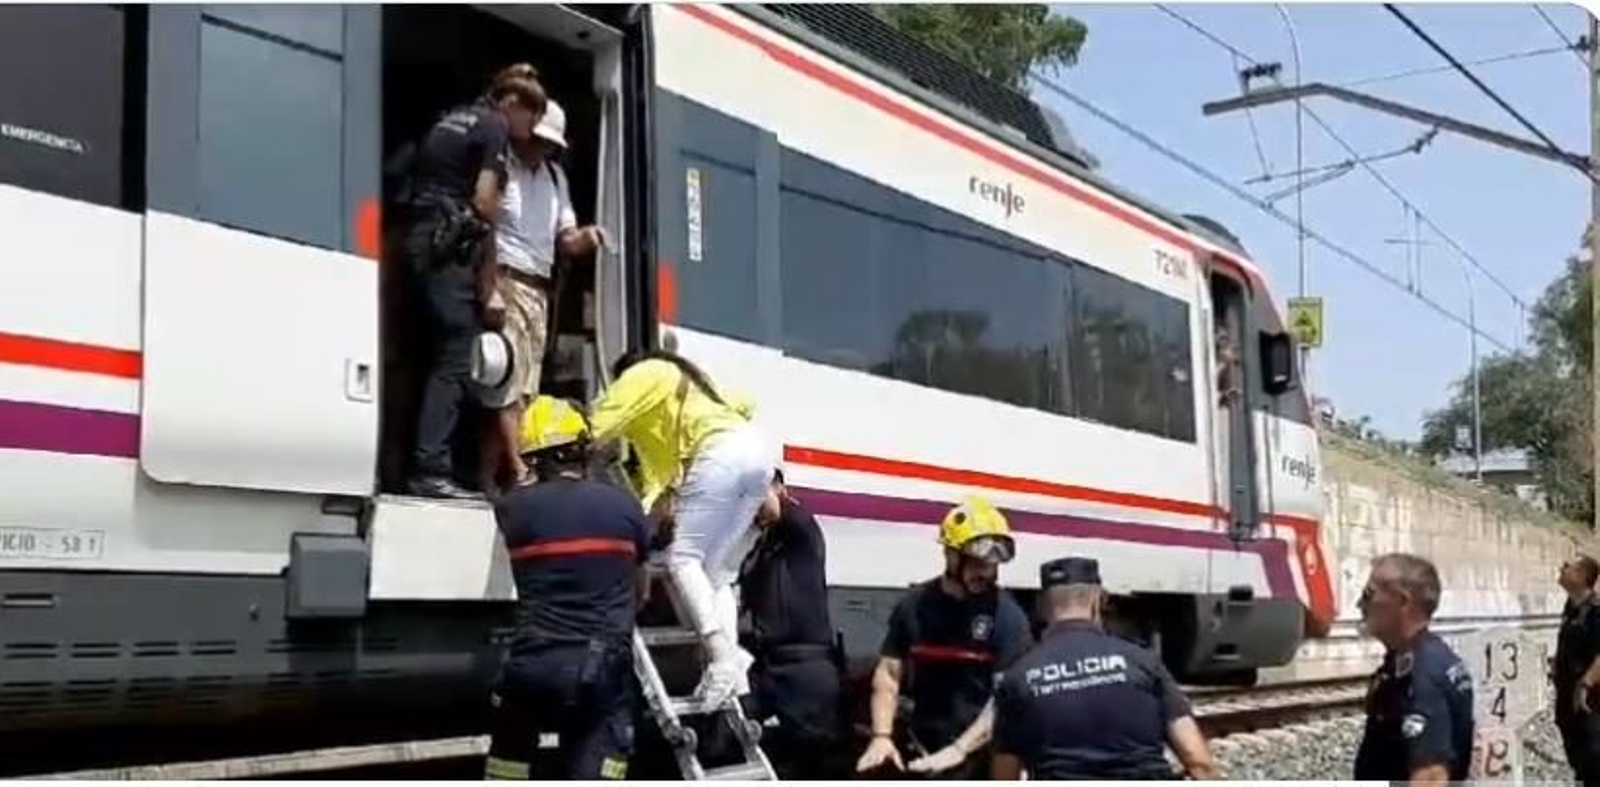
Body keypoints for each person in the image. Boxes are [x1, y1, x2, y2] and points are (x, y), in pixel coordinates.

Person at [588, 349, 773, 710]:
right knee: (715, 573)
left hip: (721, 453)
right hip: (754, 454)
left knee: (682, 560)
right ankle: (733, 668)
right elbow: (745, 404)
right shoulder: (698, 388)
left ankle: (721, 657)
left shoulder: (647, 372)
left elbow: (597, 423)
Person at [483, 395, 653, 780]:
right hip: (600, 669)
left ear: (533, 458)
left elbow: (499, 494)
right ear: (583, 451)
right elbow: (641, 592)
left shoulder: (514, 509)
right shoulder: (625, 506)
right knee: (593, 764)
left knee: (508, 763)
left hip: (532, 667)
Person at [402, 64, 546, 499]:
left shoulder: (452, 118)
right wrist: (488, 288)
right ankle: (431, 469)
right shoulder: (494, 127)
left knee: (427, 352)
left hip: (420, 240)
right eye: (531, 118)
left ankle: (414, 461)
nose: (529, 130)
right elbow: (485, 205)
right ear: (512, 104)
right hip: (450, 248)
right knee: (455, 356)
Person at [478, 93, 609, 497]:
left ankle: (490, 474)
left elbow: (564, 240)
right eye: (540, 140)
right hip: (506, 277)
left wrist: (585, 237)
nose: (545, 148)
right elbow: (485, 224)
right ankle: (518, 471)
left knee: (525, 388)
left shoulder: (555, 177)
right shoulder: (503, 168)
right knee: (507, 383)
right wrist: (489, 289)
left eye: (552, 143)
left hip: (539, 287)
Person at [991, 556, 1217, 780]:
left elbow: (1004, 777)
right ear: (1099, 601)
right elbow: (1199, 762)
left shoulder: (1017, 678)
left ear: (1041, 606)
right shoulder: (1143, 661)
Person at [855, 496, 1033, 779]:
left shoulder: (1008, 618)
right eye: (976, 563)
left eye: (992, 564)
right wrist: (882, 735)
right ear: (950, 555)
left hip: (978, 758)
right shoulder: (913, 607)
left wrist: (959, 751)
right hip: (921, 750)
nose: (985, 572)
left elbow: (1005, 698)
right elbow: (889, 673)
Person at [736, 469, 844, 780]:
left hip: (807, 667)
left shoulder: (801, 530)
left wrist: (758, 478)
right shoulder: (758, 549)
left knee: (812, 762)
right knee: (729, 736)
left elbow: (777, 506)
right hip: (766, 665)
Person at [1353, 553, 1474, 785]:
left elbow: (1431, 777)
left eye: (1369, 594)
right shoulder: (1417, 657)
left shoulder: (1422, 675)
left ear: (1402, 601)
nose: (1360, 604)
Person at [1554, 555, 1600, 785]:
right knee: (1579, 760)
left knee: (1594, 758)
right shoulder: (1571, 607)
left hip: (1589, 701)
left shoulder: (1596, 610)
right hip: (1566, 695)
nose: (1561, 567)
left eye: (1568, 565)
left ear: (1582, 577)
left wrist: (1585, 683)